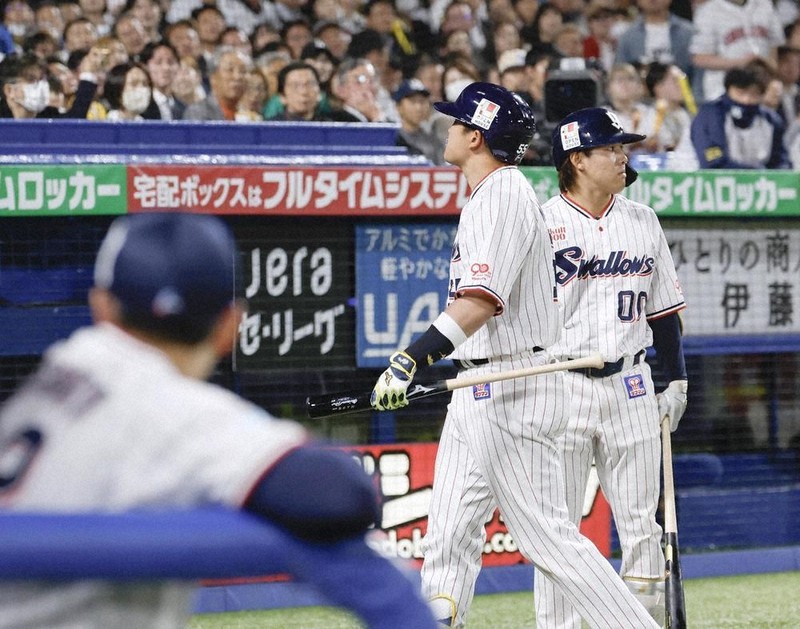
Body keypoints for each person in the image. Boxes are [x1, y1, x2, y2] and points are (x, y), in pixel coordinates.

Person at [0, 211, 438, 629]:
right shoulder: (178, 411)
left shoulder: (56, 372)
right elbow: (340, 493)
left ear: (101, 306)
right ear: (231, 325)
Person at [369, 81, 661, 629]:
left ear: (475, 137)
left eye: (457, 121)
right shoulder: (491, 193)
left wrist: (412, 358)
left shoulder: (503, 193)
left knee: (549, 540)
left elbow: (480, 300)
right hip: (479, 384)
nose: (448, 128)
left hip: (511, 385)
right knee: (449, 536)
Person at [534, 106, 689, 629]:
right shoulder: (540, 225)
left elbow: (663, 312)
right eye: (611, 148)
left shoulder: (643, 219)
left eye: (624, 147)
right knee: (557, 530)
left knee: (642, 526)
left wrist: (676, 379)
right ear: (577, 159)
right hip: (559, 385)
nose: (624, 156)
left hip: (631, 383)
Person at [691, 64, 791, 169]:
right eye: (740, 93)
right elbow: (713, 163)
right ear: (728, 90)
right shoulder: (710, 115)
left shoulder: (771, 120)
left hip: (763, 178)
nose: (746, 100)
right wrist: (756, 172)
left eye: (754, 94)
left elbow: (781, 161)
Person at [689, 0, 785, 102]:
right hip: (722, 89)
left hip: (761, 87)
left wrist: (770, 74)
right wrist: (740, 63)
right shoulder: (708, 11)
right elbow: (699, 58)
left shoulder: (765, 5)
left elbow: (774, 46)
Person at [183, 47, 252, 121]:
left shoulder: (250, 116)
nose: (237, 77)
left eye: (242, 71)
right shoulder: (198, 112)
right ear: (213, 78)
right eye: (230, 70)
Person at [392, 77, 446, 164]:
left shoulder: (432, 139)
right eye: (412, 102)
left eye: (422, 101)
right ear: (398, 107)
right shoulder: (392, 137)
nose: (418, 108)